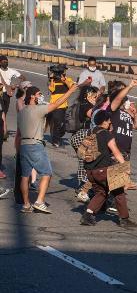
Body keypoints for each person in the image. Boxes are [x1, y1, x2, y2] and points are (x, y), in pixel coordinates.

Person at [18, 79, 89, 213]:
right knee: (47, 173)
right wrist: (70, 91)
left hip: (24, 146)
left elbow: (18, 133)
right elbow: (57, 103)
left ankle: (26, 204)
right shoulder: (38, 109)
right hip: (36, 145)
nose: (40, 96)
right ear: (32, 96)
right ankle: (39, 201)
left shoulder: (22, 111)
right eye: (39, 94)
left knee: (25, 176)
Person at [79, 110, 137, 228]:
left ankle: (88, 215)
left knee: (101, 192)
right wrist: (125, 167)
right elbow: (115, 151)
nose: (111, 122)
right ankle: (124, 219)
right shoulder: (106, 134)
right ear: (104, 122)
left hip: (90, 171)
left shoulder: (91, 132)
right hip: (104, 170)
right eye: (109, 121)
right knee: (119, 192)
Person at [70, 86, 100, 203]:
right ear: (88, 95)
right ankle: (83, 189)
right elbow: (94, 116)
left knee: (86, 162)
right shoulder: (85, 105)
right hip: (81, 136)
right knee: (86, 162)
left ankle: (85, 188)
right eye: (95, 96)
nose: (96, 98)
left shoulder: (86, 103)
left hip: (84, 137)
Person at [46, 65, 75, 147]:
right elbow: (51, 89)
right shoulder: (53, 80)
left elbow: (72, 87)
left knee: (64, 125)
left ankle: (57, 136)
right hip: (55, 106)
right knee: (58, 123)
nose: (64, 72)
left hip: (64, 106)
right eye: (64, 71)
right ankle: (56, 141)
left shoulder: (68, 79)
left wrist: (64, 80)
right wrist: (51, 79)